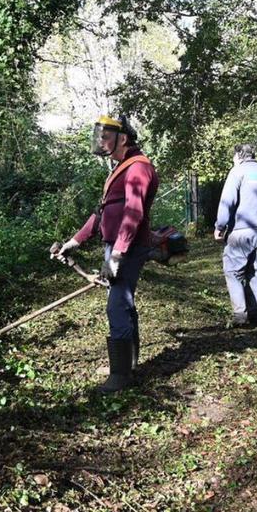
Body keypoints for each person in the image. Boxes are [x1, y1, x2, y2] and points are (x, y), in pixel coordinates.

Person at [50, 115, 158, 393]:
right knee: (123, 304)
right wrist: (73, 242)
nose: (101, 141)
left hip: (129, 248)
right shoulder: (121, 169)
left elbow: (133, 214)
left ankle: (120, 376)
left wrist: (118, 255)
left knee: (117, 305)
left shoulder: (138, 168)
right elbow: (101, 213)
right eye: (99, 136)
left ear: (123, 138)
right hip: (116, 246)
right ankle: (128, 365)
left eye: (106, 136)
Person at [214, 143, 257, 328]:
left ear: (239, 156)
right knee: (255, 271)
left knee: (233, 271)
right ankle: (255, 315)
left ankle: (240, 315)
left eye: (233, 157)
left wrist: (220, 226)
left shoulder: (237, 171)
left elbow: (227, 201)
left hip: (242, 228)